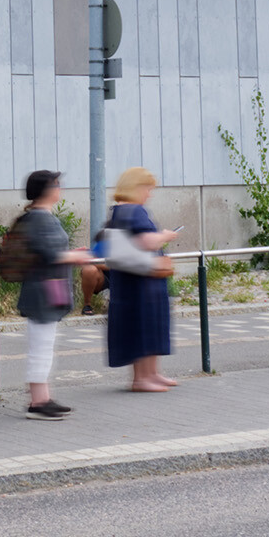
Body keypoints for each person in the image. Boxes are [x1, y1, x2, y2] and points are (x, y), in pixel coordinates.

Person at [15, 170, 100, 420]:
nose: (60, 188)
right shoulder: (41, 219)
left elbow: (47, 252)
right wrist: (76, 256)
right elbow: (50, 255)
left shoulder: (38, 217)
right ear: (46, 190)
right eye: (56, 184)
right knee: (41, 346)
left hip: (43, 289)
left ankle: (42, 398)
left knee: (44, 345)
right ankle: (38, 402)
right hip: (42, 292)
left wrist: (72, 253)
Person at [103, 167, 178, 392]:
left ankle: (152, 374)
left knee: (148, 325)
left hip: (134, 281)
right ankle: (143, 378)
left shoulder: (119, 211)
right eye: (147, 188)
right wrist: (164, 236)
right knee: (145, 326)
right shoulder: (134, 211)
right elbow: (147, 242)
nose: (149, 193)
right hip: (140, 282)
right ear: (135, 188)